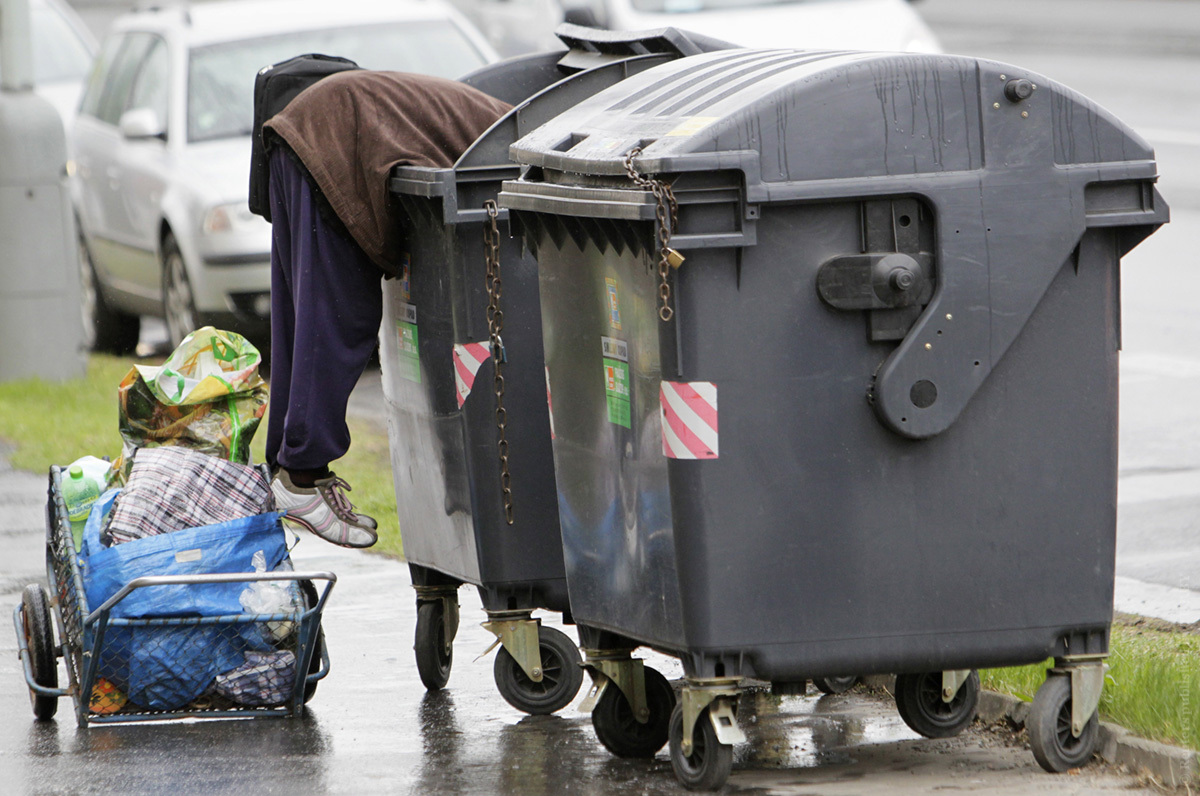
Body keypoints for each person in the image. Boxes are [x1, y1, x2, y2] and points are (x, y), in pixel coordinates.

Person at [261, 70, 510, 547]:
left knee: (301, 320)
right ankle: (301, 475)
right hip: (332, 140)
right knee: (338, 319)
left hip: (306, 133)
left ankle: (287, 466)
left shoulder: (495, 116)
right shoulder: (519, 140)